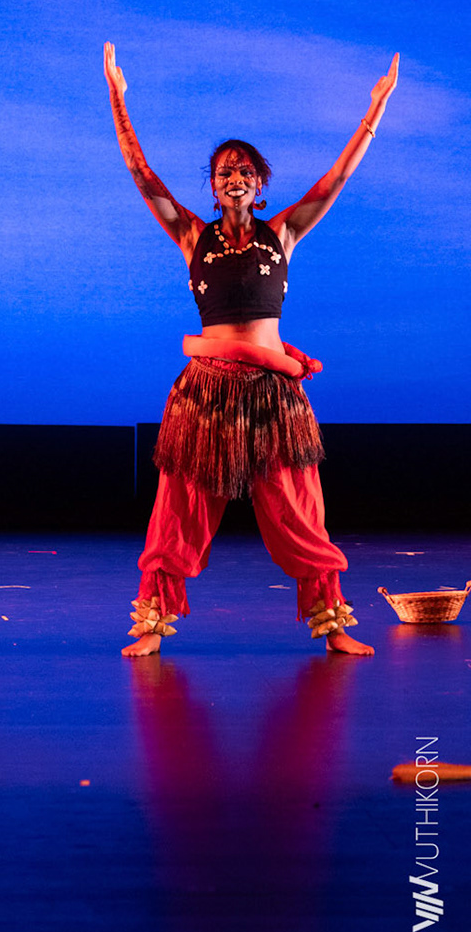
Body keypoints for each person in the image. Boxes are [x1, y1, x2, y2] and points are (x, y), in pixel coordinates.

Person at [105, 42, 396, 657]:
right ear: (213, 189)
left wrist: (375, 110)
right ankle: (153, 623)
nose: (234, 177)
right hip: (206, 392)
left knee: (298, 506)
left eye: (244, 170)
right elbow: (142, 175)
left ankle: (333, 624)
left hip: (272, 395)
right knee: (180, 506)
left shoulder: (282, 233)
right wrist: (117, 99)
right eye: (223, 172)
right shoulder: (192, 235)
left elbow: (337, 177)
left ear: (259, 183)